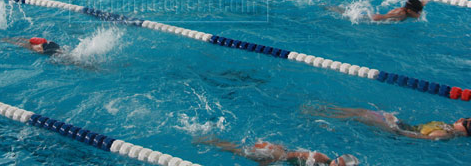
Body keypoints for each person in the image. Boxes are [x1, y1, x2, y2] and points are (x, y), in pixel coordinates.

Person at [309, 105, 471, 140]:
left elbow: (417, 137)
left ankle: (318, 115)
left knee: (361, 117)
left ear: (465, 132)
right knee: (361, 111)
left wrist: (393, 126)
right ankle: (324, 109)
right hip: (400, 125)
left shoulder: (445, 134)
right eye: (465, 117)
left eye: (465, 122)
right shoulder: (447, 127)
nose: (461, 119)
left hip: (395, 130)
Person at [195, 136, 359, 166]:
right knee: (238, 151)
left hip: (280, 156)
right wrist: (271, 160)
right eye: (337, 164)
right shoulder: (320, 158)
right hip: (275, 154)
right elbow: (290, 156)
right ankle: (209, 140)